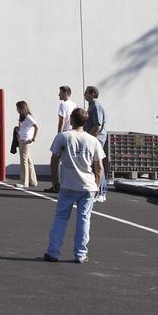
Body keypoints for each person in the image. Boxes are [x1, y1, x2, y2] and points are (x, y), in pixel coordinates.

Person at [44, 107, 104, 263]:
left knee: (61, 218)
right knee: (84, 219)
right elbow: (99, 167)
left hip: (69, 184)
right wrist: (97, 185)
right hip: (88, 186)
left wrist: (54, 180)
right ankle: (80, 254)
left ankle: (53, 252)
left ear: (71, 119)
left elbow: (54, 159)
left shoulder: (63, 137)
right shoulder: (93, 140)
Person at [43, 86, 76, 192]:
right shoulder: (74, 105)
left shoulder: (63, 104)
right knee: (69, 160)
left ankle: (56, 184)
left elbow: (62, 120)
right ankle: (69, 184)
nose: (59, 95)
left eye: (60, 93)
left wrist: (58, 135)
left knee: (54, 160)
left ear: (66, 93)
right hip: (72, 134)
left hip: (64, 134)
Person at [84, 86, 108, 175]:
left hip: (96, 139)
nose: (84, 95)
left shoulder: (96, 107)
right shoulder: (91, 106)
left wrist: (88, 139)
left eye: (86, 93)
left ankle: (99, 185)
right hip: (93, 138)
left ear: (92, 94)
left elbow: (97, 126)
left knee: (95, 164)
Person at [15, 100, 39, 189]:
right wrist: (18, 131)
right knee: (28, 161)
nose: (16, 110)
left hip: (26, 141)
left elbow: (36, 126)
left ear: (22, 108)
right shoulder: (22, 117)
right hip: (22, 140)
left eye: (17, 108)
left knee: (23, 161)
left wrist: (34, 138)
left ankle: (24, 182)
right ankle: (33, 181)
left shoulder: (28, 117)